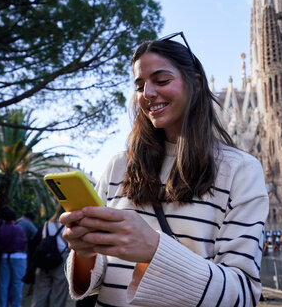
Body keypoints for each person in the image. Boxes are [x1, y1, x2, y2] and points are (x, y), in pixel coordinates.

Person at [60, 32, 269, 306]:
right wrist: (85, 252)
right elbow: (99, 280)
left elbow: (243, 295)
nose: (147, 94)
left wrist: (154, 250)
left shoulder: (240, 171)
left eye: (161, 80)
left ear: (194, 83)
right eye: (139, 86)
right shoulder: (117, 168)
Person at [31, 205, 70, 307]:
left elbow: (44, 239)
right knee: (58, 293)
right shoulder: (68, 225)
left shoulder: (47, 224)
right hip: (61, 258)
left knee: (40, 293)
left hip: (44, 260)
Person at [0, 206, 27, 307]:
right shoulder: (18, 229)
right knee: (17, 283)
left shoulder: (0, 229)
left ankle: (2, 304)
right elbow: (23, 243)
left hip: (5, 257)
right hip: (19, 257)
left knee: (3, 284)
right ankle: (16, 304)